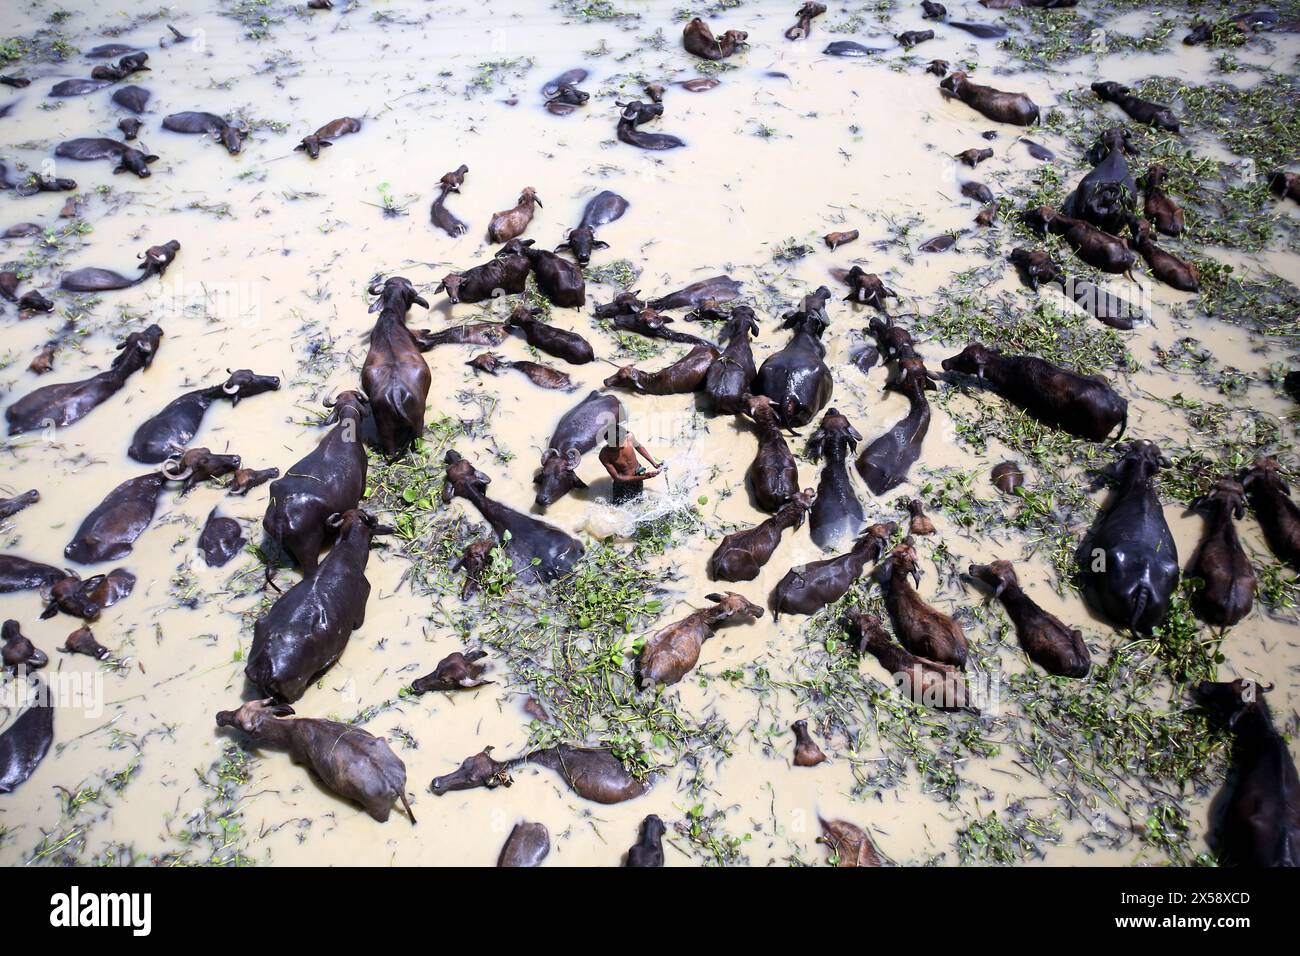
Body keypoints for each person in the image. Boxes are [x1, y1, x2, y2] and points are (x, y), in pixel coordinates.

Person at [599, 427, 663, 505]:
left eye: (623, 441)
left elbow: (639, 447)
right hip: (622, 483)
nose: (622, 444)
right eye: (618, 444)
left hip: (638, 473)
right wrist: (646, 476)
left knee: (639, 501)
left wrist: (654, 463)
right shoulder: (604, 455)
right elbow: (617, 477)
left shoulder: (629, 437)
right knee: (618, 506)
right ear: (610, 442)